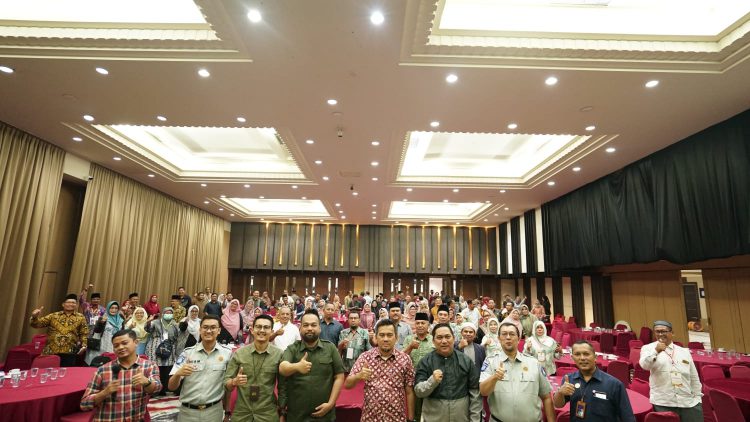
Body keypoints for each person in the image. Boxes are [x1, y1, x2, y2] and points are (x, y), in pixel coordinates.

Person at [480, 322, 555, 422]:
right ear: (499, 339)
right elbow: (483, 392)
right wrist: (494, 378)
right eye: (504, 334)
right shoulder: (490, 361)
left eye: (512, 334)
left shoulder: (534, 363)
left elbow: (546, 397)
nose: (508, 337)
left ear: (519, 339)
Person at [80, 329, 162, 421]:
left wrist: (147, 382)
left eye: (124, 343)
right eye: (116, 345)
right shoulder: (103, 370)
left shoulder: (149, 366)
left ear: (136, 342)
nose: (120, 347)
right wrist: (104, 392)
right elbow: (84, 404)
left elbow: (157, 388)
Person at [279, 310, 345, 421]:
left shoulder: (330, 348)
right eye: (305, 325)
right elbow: (282, 368)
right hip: (296, 415)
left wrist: (331, 403)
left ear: (320, 328)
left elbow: (339, 376)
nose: (310, 328)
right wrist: (296, 367)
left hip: (324, 415)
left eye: (313, 325)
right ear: (300, 329)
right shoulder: (292, 349)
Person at [344, 319, 416, 421]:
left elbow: (409, 391)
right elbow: (347, 385)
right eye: (382, 335)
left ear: (396, 338)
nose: (385, 339)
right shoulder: (365, 357)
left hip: (396, 417)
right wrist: (358, 376)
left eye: (389, 335)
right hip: (370, 418)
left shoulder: (405, 359)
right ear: (376, 338)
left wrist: (410, 418)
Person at [169, 314, 233, 421]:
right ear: (200, 329)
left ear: (219, 330)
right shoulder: (187, 353)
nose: (208, 331)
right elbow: (171, 387)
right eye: (205, 327)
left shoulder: (227, 354)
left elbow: (227, 387)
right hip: (188, 412)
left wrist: (227, 412)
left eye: (213, 327)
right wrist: (178, 374)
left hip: (213, 412)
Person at [553, 340, 635, 421]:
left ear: (595, 357)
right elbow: (558, 405)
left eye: (586, 354)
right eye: (577, 354)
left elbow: (627, 417)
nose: (582, 358)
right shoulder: (569, 380)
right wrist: (560, 392)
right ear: (572, 358)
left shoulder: (614, 384)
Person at [414, 323, 481, 421]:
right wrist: (432, 382)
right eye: (439, 337)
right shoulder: (426, 361)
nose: (444, 341)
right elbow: (418, 392)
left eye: (447, 337)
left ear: (454, 339)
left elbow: (475, 393)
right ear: (433, 341)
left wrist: (475, 419)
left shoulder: (465, 361)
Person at [226, 314, 286, 421]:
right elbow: (226, 385)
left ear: (272, 332)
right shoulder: (239, 353)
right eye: (258, 327)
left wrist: (282, 412)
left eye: (266, 327)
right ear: (252, 330)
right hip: (242, 413)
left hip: (267, 413)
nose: (262, 330)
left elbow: (283, 387)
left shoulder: (279, 355)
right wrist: (234, 382)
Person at [639, 320, 703, 422]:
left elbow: (694, 377)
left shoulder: (684, 351)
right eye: (657, 331)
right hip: (663, 403)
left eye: (663, 331)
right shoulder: (648, 349)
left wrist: (698, 399)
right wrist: (656, 351)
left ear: (672, 333)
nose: (660, 334)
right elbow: (644, 365)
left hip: (688, 403)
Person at [29, 293, 88, 366]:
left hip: (69, 352)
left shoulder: (81, 317)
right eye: (68, 302)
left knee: (65, 375)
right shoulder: (53, 316)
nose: (71, 304)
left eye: (73, 303)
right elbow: (37, 324)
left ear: (76, 305)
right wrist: (34, 317)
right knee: (48, 374)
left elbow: (84, 333)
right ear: (63, 304)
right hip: (51, 351)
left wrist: (84, 345)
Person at [402, 312, 434, 422]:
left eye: (423, 323)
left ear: (428, 325)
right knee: (414, 410)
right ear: (415, 325)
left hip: (429, 380)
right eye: (418, 323)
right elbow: (400, 358)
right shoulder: (408, 339)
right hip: (412, 380)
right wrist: (410, 346)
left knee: (429, 408)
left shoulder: (433, 339)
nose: (420, 325)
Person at [145, 307, 179, 393]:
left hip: (169, 348)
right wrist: (149, 321)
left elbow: (177, 335)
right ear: (163, 313)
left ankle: (164, 389)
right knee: (157, 368)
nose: (168, 314)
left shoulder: (174, 324)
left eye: (170, 313)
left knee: (167, 368)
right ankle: (155, 389)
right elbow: (147, 329)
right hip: (156, 347)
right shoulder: (156, 322)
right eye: (166, 312)